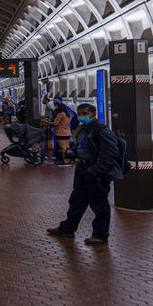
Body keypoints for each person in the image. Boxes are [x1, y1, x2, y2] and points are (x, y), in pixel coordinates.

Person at [47, 103, 124, 245]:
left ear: (93, 114)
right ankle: (68, 228)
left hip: (96, 172)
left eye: (84, 113)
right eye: (79, 113)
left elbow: (110, 154)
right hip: (82, 169)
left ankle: (100, 235)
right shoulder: (83, 129)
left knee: (99, 204)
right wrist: (73, 153)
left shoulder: (102, 130)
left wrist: (96, 171)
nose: (81, 116)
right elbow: (82, 148)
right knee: (76, 201)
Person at [50, 101, 72, 165]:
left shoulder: (60, 114)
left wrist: (48, 122)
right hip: (67, 132)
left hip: (60, 133)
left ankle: (65, 161)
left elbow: (55, 123)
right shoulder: (69, 115)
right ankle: (69, 160)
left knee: (63, 148)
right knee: (68, 147)